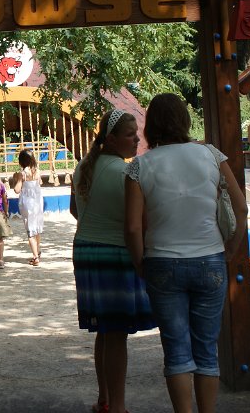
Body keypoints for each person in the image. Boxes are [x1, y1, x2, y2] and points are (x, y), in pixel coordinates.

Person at [123, 93, 247, 413]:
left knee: (177, 351)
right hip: (210, 259)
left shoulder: (139, 166)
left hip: (162, 262)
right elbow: (241, 207)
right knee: (206, 350)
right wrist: (230, 249)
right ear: (185, 120)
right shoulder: (211, 155)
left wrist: (140, 263)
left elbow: (133, 227)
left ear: (151, 125)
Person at [70, 109, 155, 413]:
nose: (137, 140)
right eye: (130, 135)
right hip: (114, 254)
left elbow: (74, 210)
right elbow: (139, 221)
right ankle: (117, 407)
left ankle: (104, 399)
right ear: (112, 139)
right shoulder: (125, 173)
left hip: (85, 250)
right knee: (117, 333)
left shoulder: (83, 166)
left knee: (104, 330)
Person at [11, 149, 43, 265]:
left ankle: (35, 257)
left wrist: (16, 179)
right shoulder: (37, 171)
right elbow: (39, 183)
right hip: (38, 203)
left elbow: (17, 189)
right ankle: (37, 251)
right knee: (36, 229)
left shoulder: (23, 174)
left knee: (30, 230)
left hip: (28, 204)